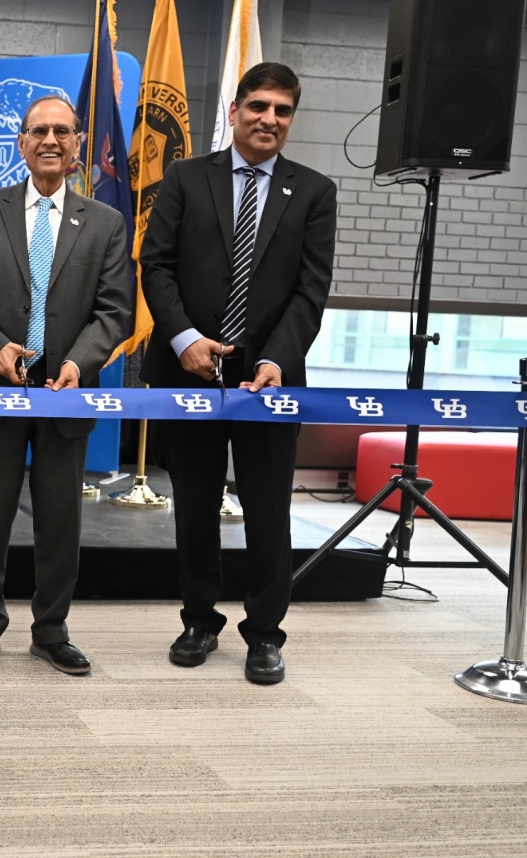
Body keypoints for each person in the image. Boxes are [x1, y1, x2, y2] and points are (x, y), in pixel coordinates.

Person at [139, 62, 337, 685]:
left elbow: (310, 292)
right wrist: (184, 340)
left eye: (281, 110)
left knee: (269, 510)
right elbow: (157, 268)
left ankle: (265, 635)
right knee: (194, 505)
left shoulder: (313, 190)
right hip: (189, 372)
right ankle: (199, 620)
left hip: (271, 382)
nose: (268, 120)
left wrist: (277, 358)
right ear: (234, 110)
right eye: (258, 107)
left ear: (291, 119)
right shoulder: (184, 177)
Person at [0, 95, 130, 675]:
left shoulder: (106, 223)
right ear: (21, 143)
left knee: (60, 520)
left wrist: (79, 362)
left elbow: (114, 311)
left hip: (66, 393)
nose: (50, 140)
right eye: (38, 131)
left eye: (62, 132)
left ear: (77, 146)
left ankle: (51, 629)